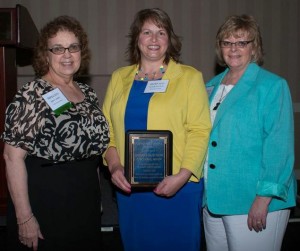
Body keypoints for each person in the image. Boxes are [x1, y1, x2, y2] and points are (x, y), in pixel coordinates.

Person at [102, 7, 211, 251]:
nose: (153, 39)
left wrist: (182, 176)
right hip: (130, 189)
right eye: (147, 32)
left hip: (177, 186)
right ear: (137, 38)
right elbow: (106, 130)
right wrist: (114, 165)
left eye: (161, 33)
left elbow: (200, 130)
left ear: (169, 39)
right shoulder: (120, 78)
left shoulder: (189, 77)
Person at [1, 15, 109, 251]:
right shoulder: (33, 94)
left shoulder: (88, 94)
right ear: (46, 55)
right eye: (58, 48)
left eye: (73, 47)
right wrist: (24, 217)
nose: (67, 54)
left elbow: (93, 154)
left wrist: (98, 197)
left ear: (82, 51)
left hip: (85, 199)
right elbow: (12, 157)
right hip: (47, 200)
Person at [202, 14, 297, 251]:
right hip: (213, 199)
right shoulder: (210, 86)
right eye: (227, 42)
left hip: (253, 200)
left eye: (242, 42)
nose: (233, 48)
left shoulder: (272, 86)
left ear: (254, 47)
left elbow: (279, 146)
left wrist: (263, 198)